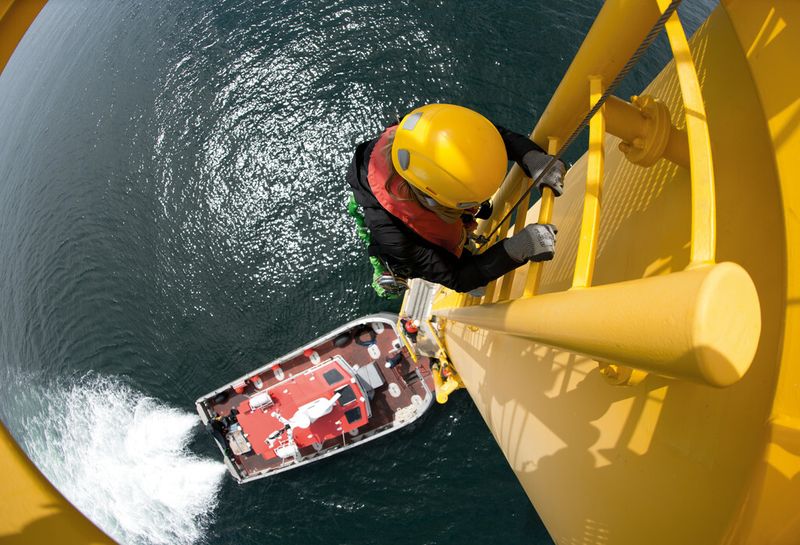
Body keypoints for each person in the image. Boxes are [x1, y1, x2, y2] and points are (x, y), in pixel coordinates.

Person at [346, 103, 565, 294]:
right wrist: (521, 247)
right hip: (412, 252)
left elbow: (482, 138)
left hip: (429, 216)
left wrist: (530, 157)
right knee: (475, 283)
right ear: (432, 199)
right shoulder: (397, 239)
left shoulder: (422, 132)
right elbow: (458, 276)